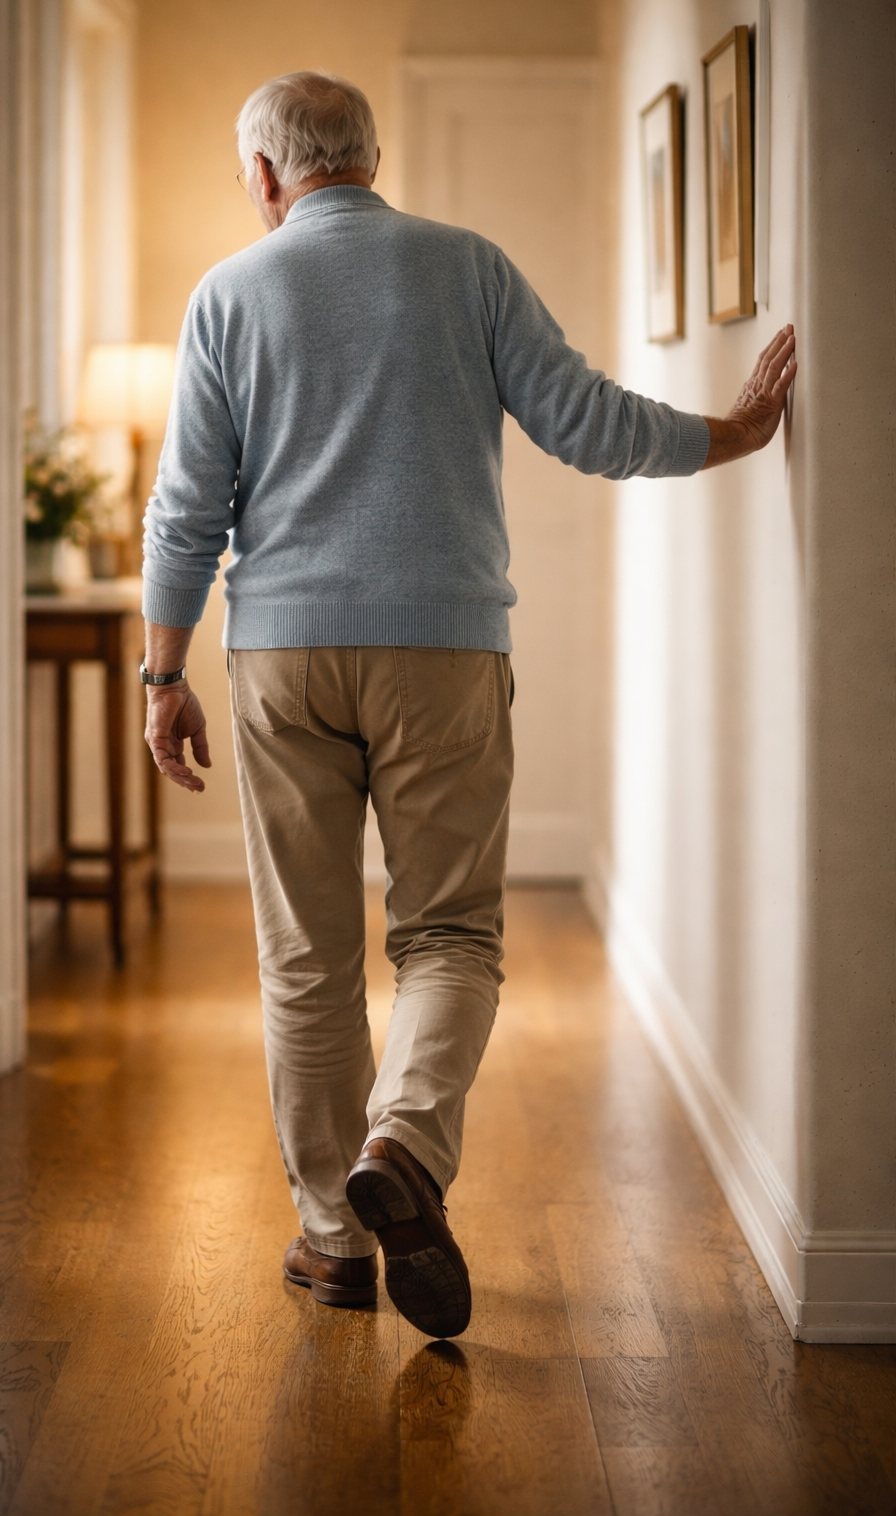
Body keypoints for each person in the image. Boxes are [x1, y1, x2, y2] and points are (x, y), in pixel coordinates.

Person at [140, 71, 797, 1340]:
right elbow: (588, 424)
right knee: (448, 936)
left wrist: (163, 676)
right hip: (443, 650)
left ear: (267, 176)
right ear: (370, 158)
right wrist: (735, 429)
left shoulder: (228, 293)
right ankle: (405, 1145)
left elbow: (185, 511)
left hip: (281, 656)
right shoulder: (466, 267)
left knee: (306, 959)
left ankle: (334, 1241)